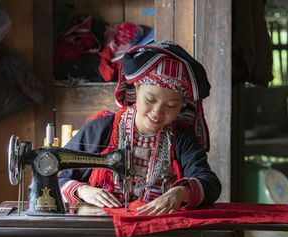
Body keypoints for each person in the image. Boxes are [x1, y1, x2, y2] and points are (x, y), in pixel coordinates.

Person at [59, 40, 221, 215]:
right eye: (150, 100)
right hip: (98, 232)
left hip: (153, 236)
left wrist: (181, 191)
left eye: (172, 105)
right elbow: (58, 172)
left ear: (182, 105)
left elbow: (210, 183)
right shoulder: (102, 129)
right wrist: (83, 191)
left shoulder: (181, 139)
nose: (157, 112)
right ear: (136, 88)